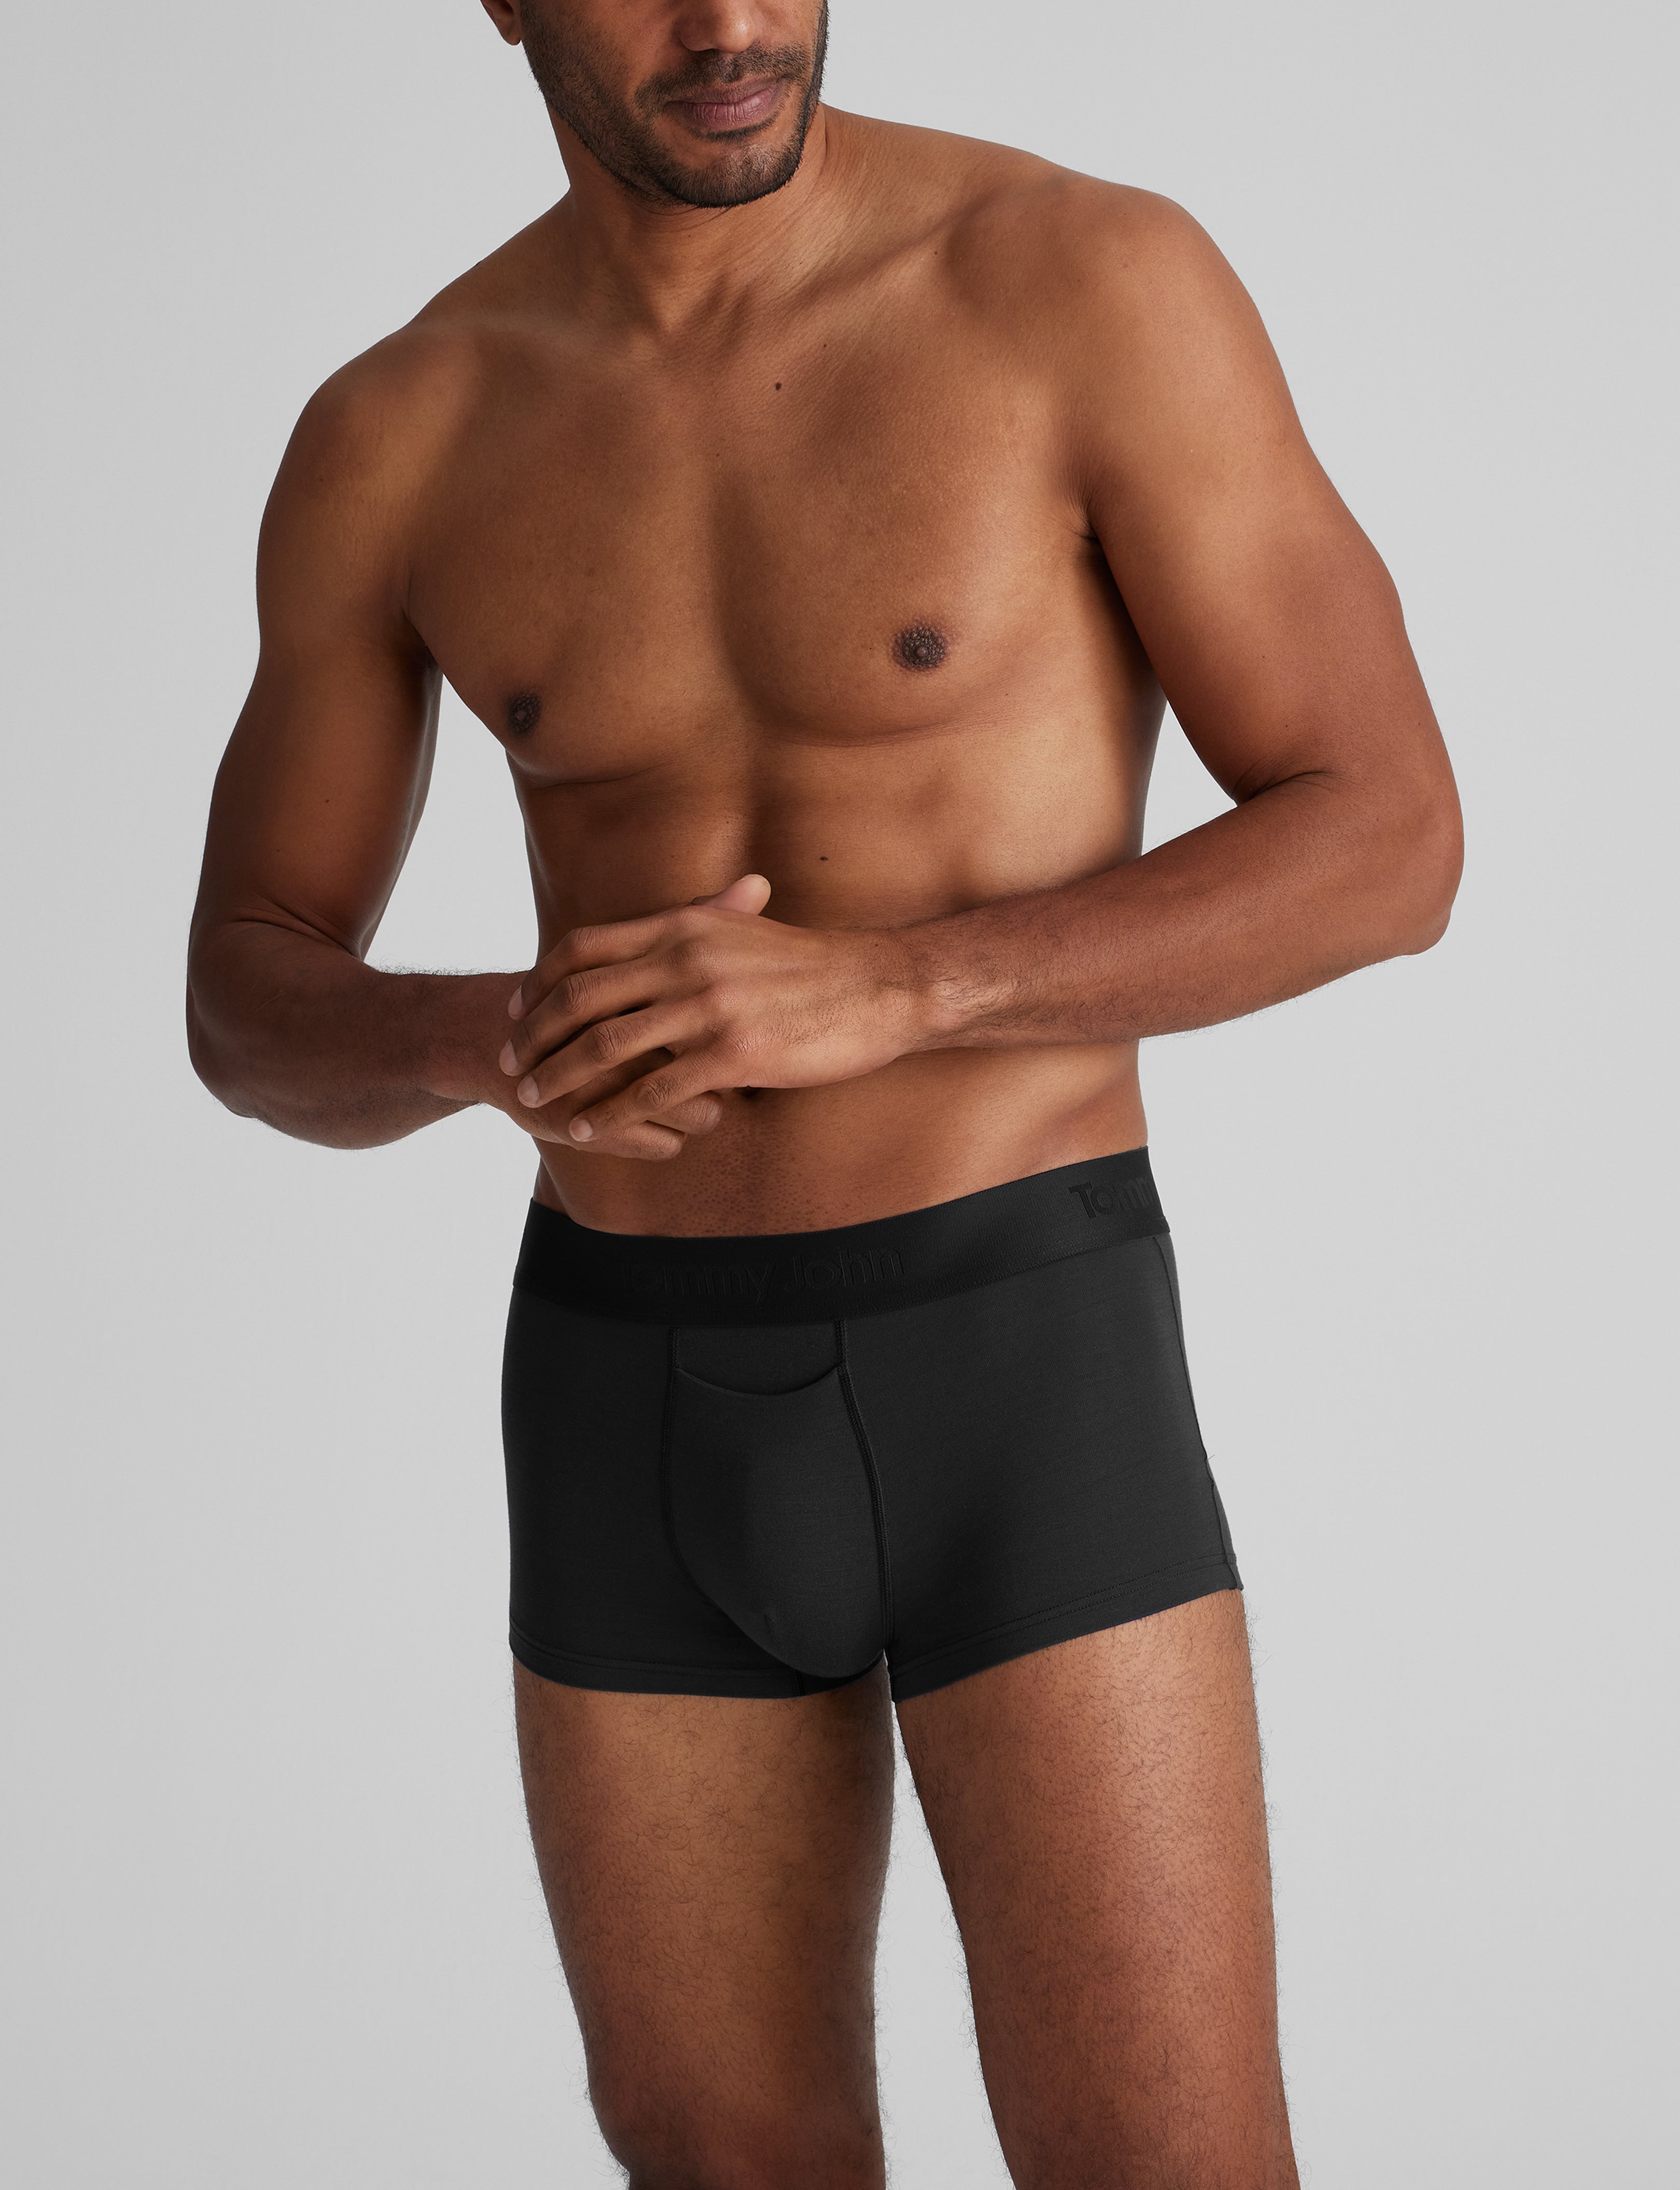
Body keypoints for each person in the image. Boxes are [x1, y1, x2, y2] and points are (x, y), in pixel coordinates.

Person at [187, 2, 1461, 2181]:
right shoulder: (404, 425)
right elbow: (247, 992)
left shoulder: (1080, 282)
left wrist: (904, 988)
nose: (733, 21)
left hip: (1021, 1354)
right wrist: (493, 1041)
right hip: (624, 1392)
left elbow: (1390, 838)